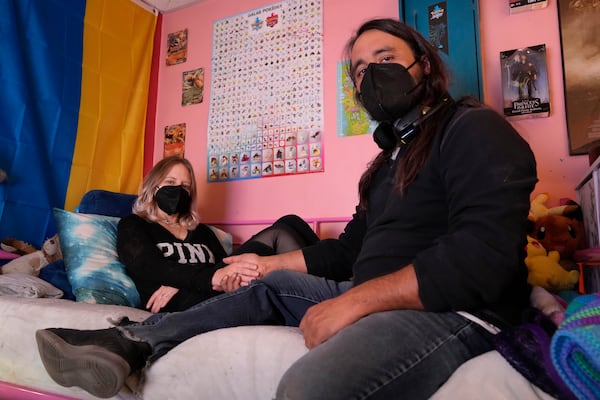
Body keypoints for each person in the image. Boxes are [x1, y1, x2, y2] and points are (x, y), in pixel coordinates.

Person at [35, 18, 537, 399]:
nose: (370, 76)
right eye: (359, 70)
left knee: (305, 388)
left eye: (383, 57)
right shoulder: (388, 163)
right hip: (373, 290)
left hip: (454, 309)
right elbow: (346, 253)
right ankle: (133, 344)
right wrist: (268, 265)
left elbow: (484, 254)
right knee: (269, 284)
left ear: (423, 64)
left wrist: (356, 302)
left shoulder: (471, 128)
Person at [117, 155, 319, 313]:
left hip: (210, 288)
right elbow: (148, 266)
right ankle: (321, 296)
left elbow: (224, 265)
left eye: (185, 186)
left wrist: (219, 280)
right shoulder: (134, 224)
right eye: (170, 182)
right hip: (175, 303)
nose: (178, 190)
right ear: (153, 188)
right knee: (280, 233)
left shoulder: (202, 231)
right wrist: (192, 281)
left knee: (291, 223)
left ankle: (325, 292)